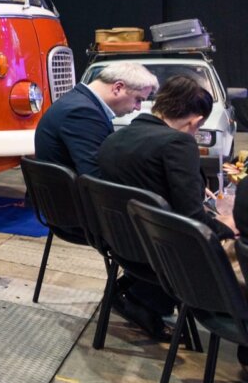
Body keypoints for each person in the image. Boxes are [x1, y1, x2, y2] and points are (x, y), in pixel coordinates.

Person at [97, 75, 238, 341]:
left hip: (119, 244)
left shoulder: (116, 138)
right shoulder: (178, 143)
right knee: (233, 241)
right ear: (195, 121)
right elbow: (192, 218)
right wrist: (226, 229)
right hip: (162, 252)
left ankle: (137, 294)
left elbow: (148, 183)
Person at [34, 60, 158, 176]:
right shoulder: (82, 112)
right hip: (68, 197)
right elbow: (95, 174)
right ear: (118, 88)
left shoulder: (78, 102)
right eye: (138, 99)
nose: (138, 108)